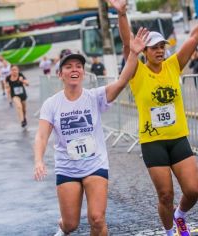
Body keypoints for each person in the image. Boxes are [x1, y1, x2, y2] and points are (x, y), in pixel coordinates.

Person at [108, 0, 198, 235]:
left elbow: (195, 37)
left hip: (178, 138)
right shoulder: (137, 71)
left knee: (193, 190)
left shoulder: (173, 65)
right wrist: (121, 14)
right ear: (145, 51)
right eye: (154, 47)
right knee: (165, 195)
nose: (159, 50)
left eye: (162, 46)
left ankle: (181, 215)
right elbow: (128, 42)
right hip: (153, 143)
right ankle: (170, 231)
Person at [33, 28, 149, 236]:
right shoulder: (52, 104)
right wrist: (39, 160)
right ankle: (63, 227)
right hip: (67, 168)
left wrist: (134, 54)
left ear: (84, 73)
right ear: (60, 74)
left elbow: (122, 81)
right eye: (68, 67)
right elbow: (42, 135)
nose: (74, 69)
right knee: (71, 224)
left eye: (78, 66)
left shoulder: (95, 97)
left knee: (97, 219)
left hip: (95, 164)